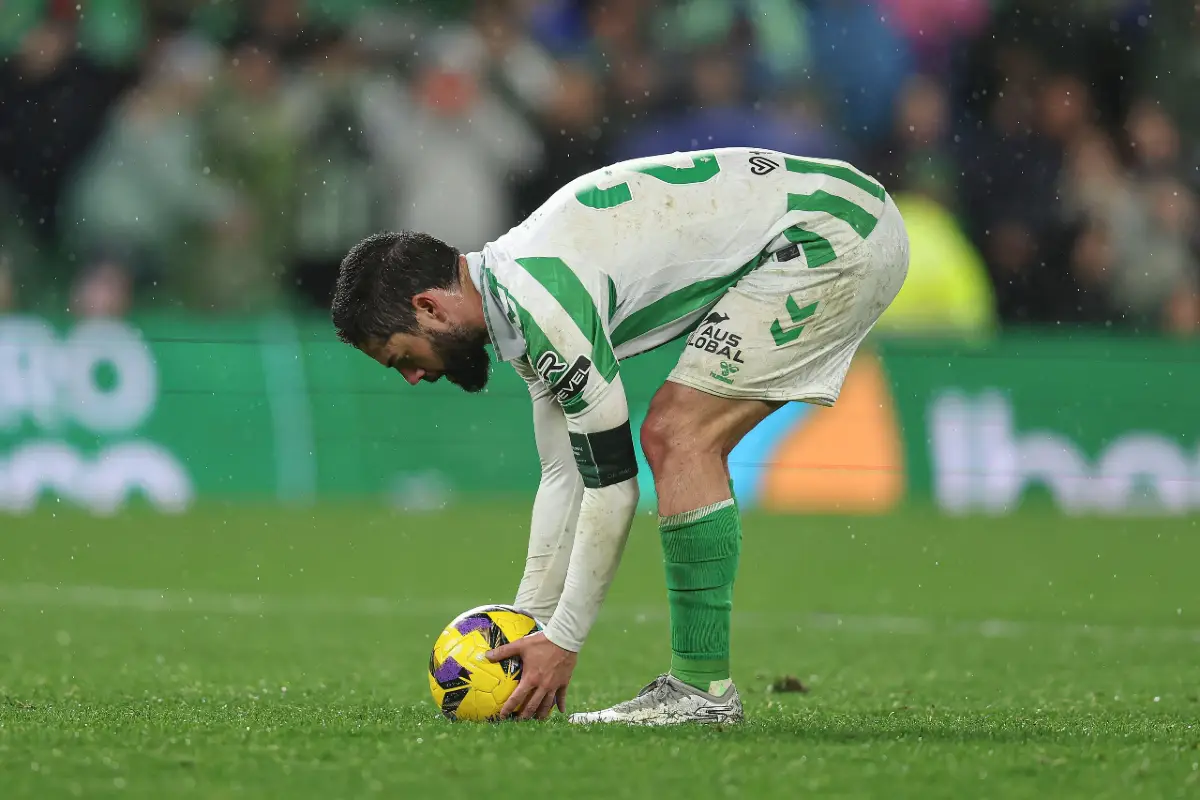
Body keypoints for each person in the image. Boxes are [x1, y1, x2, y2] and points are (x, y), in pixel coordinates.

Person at [330, 147, 910, 725]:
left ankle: (701, 693)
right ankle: (700, 691)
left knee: (678, 436)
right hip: (836, 213)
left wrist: (563, 642)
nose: (412, 377)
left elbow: (612, 488)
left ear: (429, 307)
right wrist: (523, 630)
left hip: (832, 235)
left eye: (402, 357)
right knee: (675, 435)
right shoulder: (517, 293)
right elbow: (564, 473)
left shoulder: (544, 305)